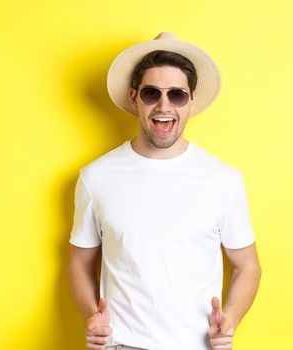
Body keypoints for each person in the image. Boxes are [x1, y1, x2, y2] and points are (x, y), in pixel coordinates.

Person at [68, 32, 261, 350]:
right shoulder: (97, 177)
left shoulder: (223, 179)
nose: (163, 105)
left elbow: (247, 264)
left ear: (192, 101)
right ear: (134, 97)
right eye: (151, 93)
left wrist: (231, 318)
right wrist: (92, 316)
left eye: (177, 95)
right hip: (121, 345)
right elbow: (79, 262)